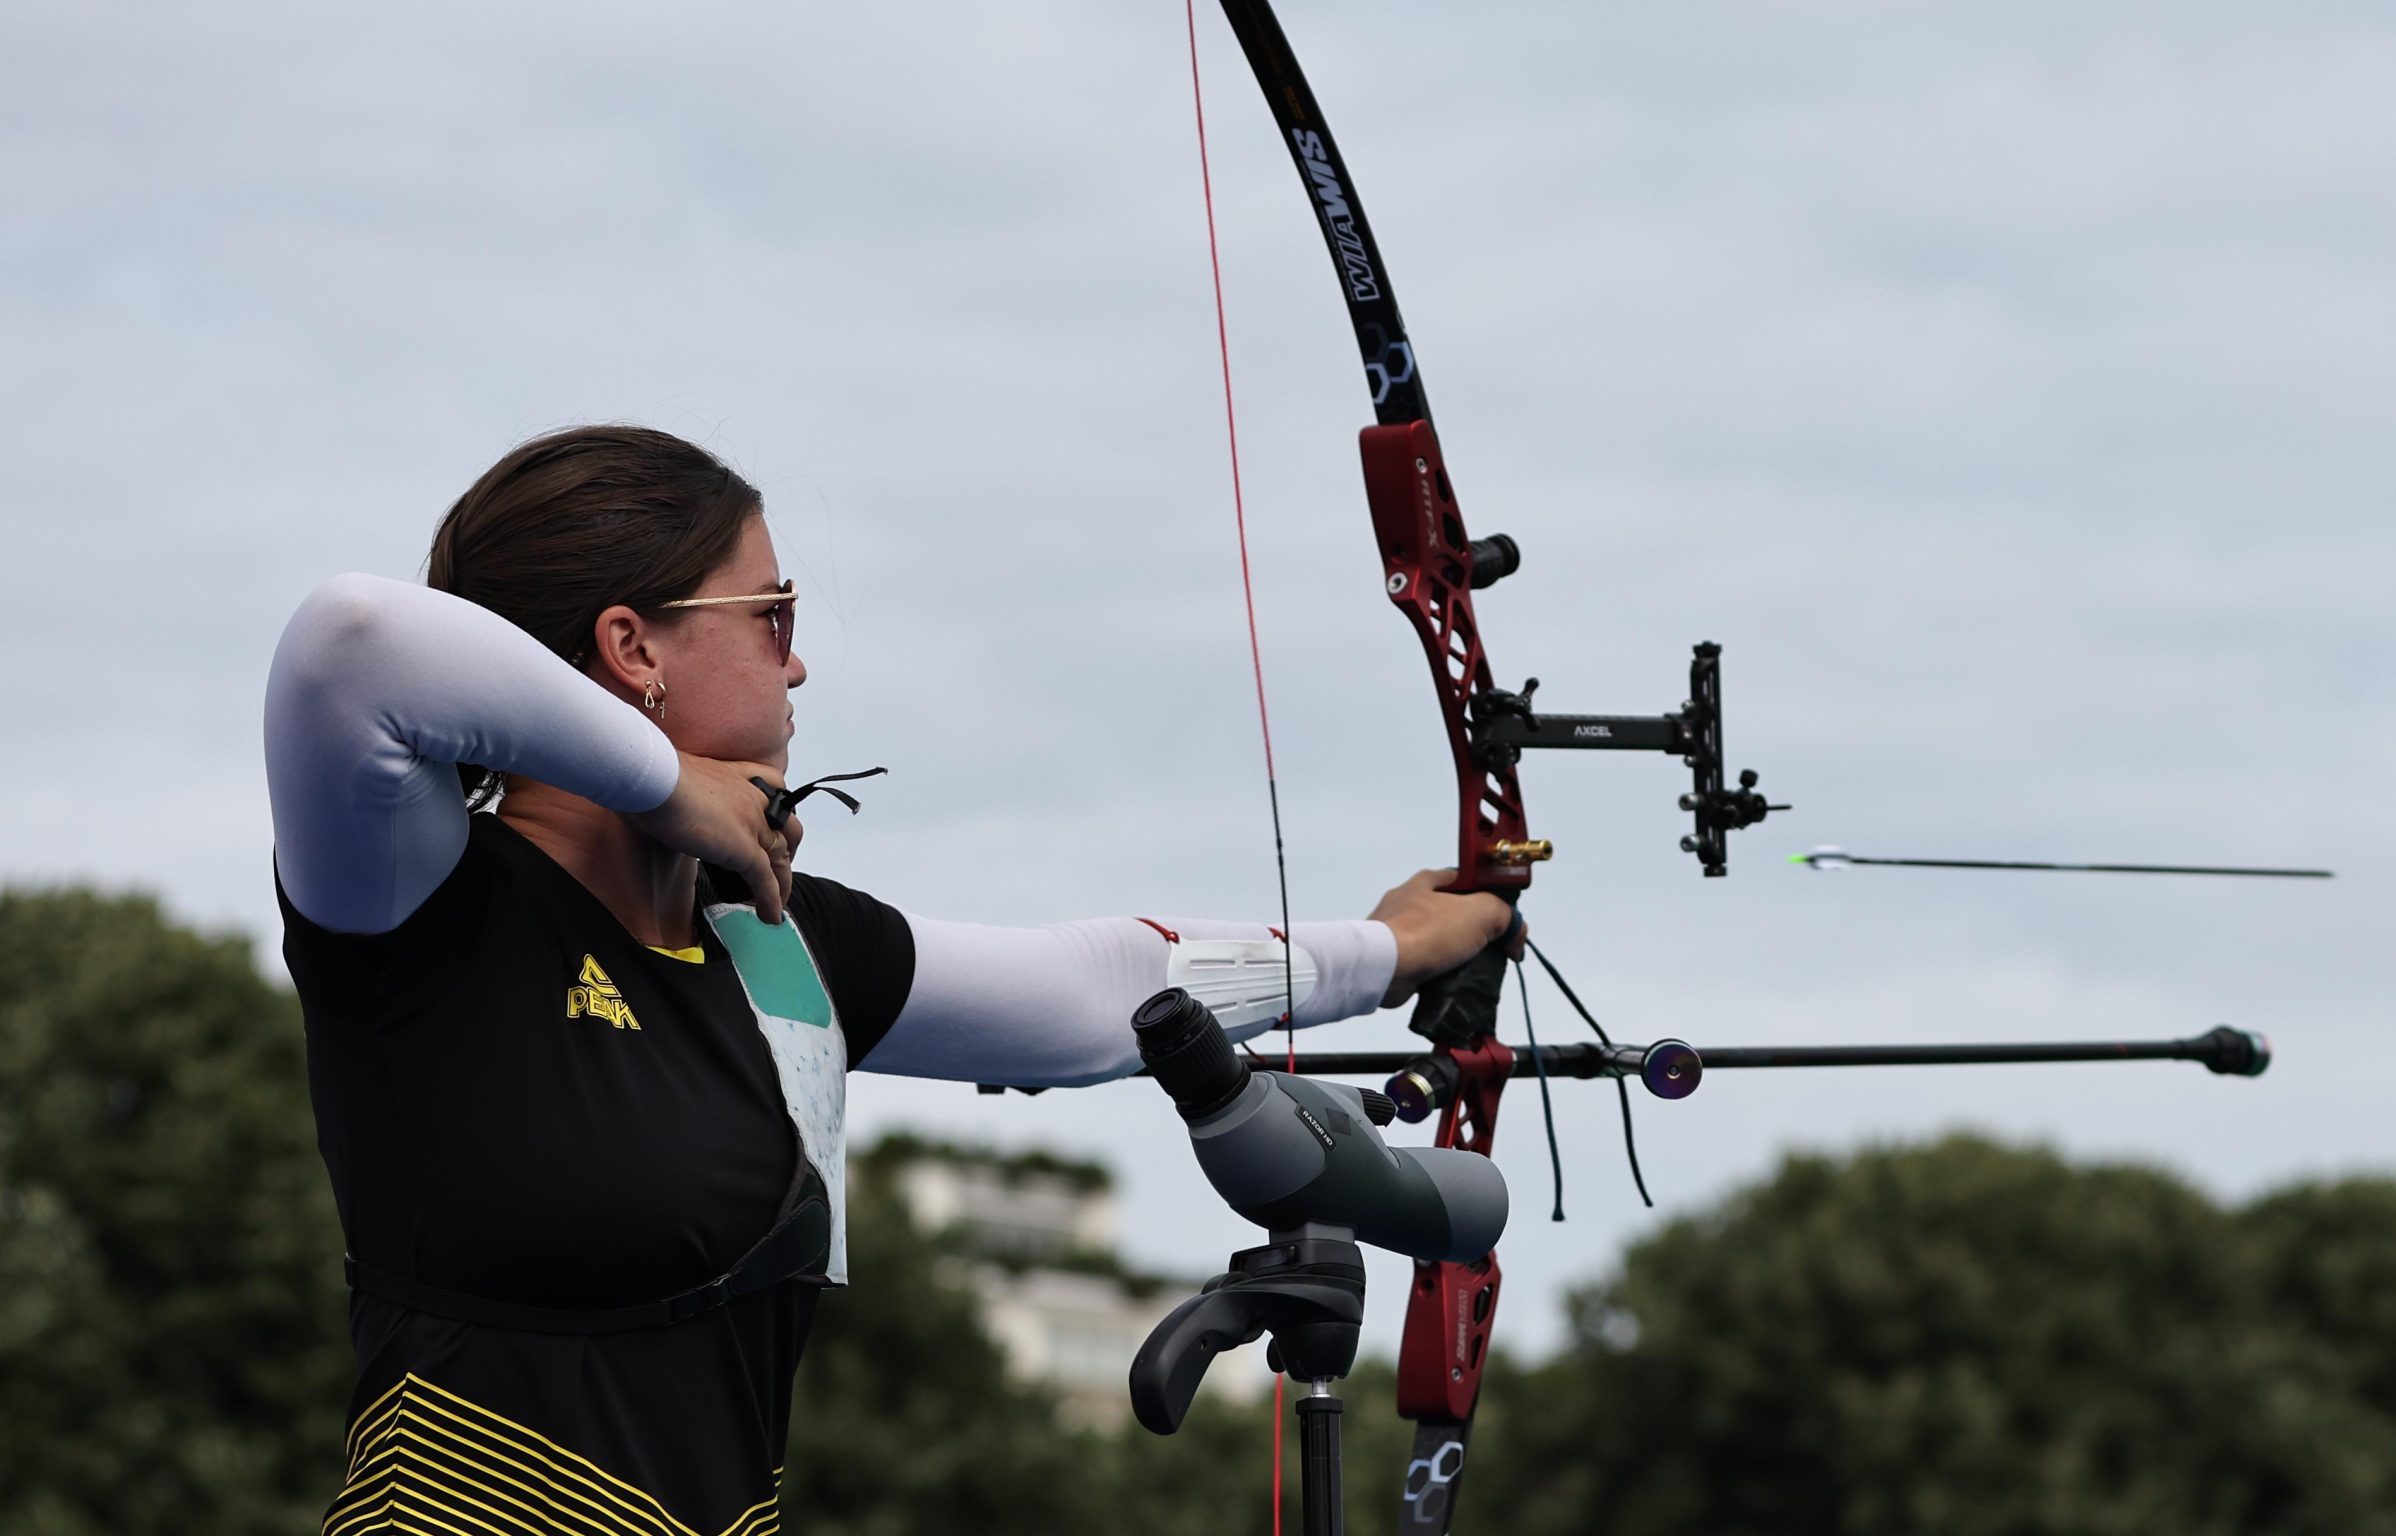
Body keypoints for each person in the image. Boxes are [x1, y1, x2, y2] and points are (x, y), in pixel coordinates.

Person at [263, 424, 1509, 1536]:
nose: (797, 667)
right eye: (774, 615)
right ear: (632, 645)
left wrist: (1387, 950)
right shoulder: (425, 900)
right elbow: (351, 644)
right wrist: (662, 781)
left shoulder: (775, 944)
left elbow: (1102, 991)